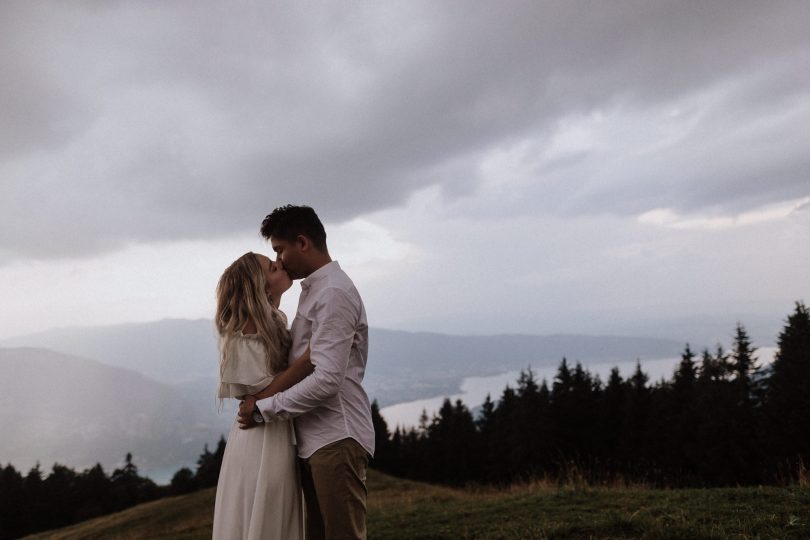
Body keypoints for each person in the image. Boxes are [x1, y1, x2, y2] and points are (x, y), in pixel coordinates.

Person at [238, 205, 375, 540]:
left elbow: (327, 380)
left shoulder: (333, 293)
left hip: (336, 437)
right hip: (316, 440)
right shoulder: (316, 291)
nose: (279, 260)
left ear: (302, 243)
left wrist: (262, 410)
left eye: (280, 250)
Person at [211, 252, 314, 540]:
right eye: (272, 267)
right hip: (262, 433)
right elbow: (253, 390)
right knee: (269, 507)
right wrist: (306, 361)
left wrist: (256, 402)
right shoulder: (250, 327)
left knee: (269, 509)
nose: (281, 263)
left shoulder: (267, 322)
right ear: (263, 287)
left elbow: (255, 394)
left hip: (266, 424)